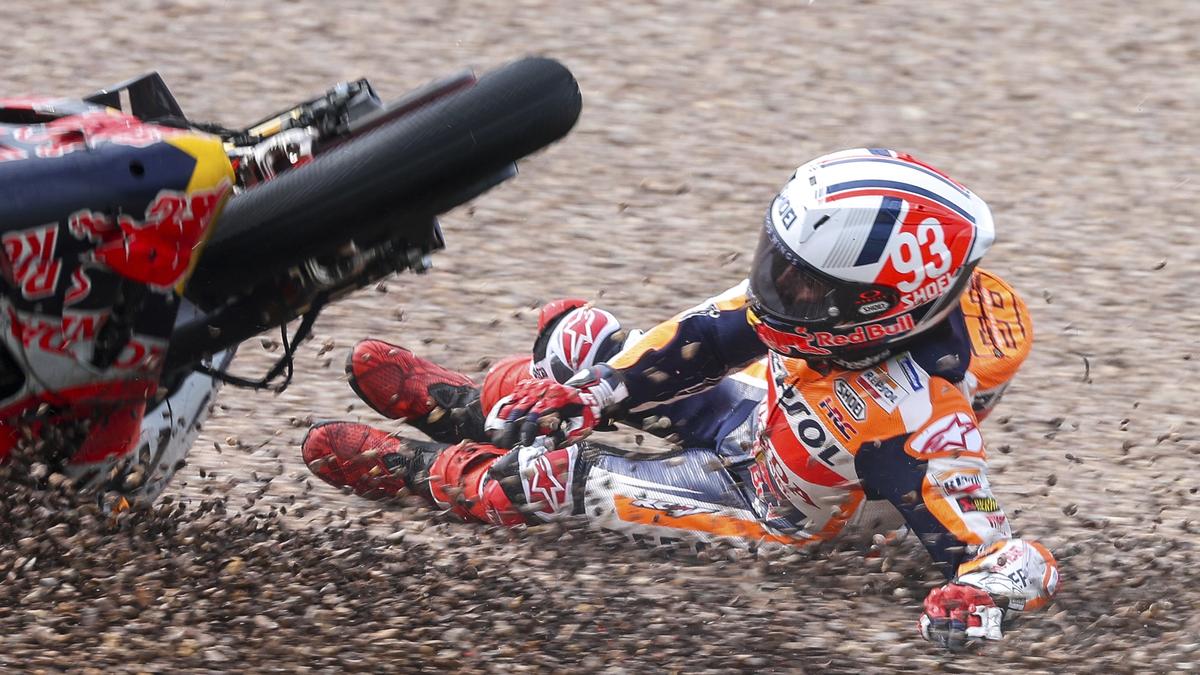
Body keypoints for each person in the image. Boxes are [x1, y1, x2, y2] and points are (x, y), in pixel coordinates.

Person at [302, 148, 1059, 649]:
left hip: (769, 505)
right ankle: (478, 407)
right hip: (761, 413)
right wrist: (584, 394)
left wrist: (977, 603)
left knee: (543, 479)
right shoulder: (833, 315)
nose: (776, 287)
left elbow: (1014, 560)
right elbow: (706, 336)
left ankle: (426, 472)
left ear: (880, 309)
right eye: (778, 262)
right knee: (578, 341)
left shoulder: (919, 423)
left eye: (801, 283)